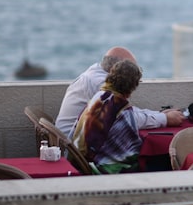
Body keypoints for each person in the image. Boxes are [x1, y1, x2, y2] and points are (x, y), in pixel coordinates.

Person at [55, 46, 183, 137]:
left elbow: (126, 113)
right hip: (76, 150)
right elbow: (128, 119)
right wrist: (165, 118)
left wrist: (158, 114)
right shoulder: (102, 86)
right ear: (116, 69)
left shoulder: (95, 73)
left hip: (74, 141)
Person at [71, 59, 145, 174]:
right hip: (99, 167)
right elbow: (131, 149)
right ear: (133, 85)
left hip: (79, 160)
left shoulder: (98, 97)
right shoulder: (122, 108)